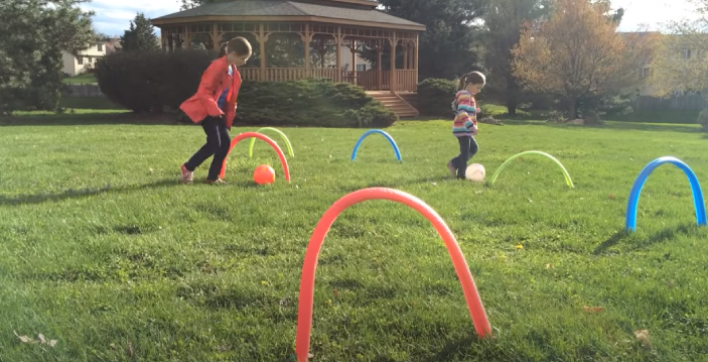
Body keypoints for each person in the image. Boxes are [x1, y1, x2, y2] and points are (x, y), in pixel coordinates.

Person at [179, 37, 252, 184]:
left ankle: (212, 177)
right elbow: (203, 91)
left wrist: (227, 111)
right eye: (243, 58)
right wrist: (213, 109)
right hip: (208, 110)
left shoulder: (233, 70)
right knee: (214, 144)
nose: (245, 62)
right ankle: (188, 167)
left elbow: (230, 95)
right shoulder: (217, 66)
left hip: (219, 112)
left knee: (224, 144)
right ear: (232, 53)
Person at [447, 71, 485, 179]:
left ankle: (454, 164)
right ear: (470, 84)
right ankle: (460, 174)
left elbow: (465, 109)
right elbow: (462, 112)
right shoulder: (465, 95)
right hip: (463, 129)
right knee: (465, 152)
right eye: (478, 87)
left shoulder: (467, 95)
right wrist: (471, 126)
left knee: (473, 148)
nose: (479, 90)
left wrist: (475, 110)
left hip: (464, 129)